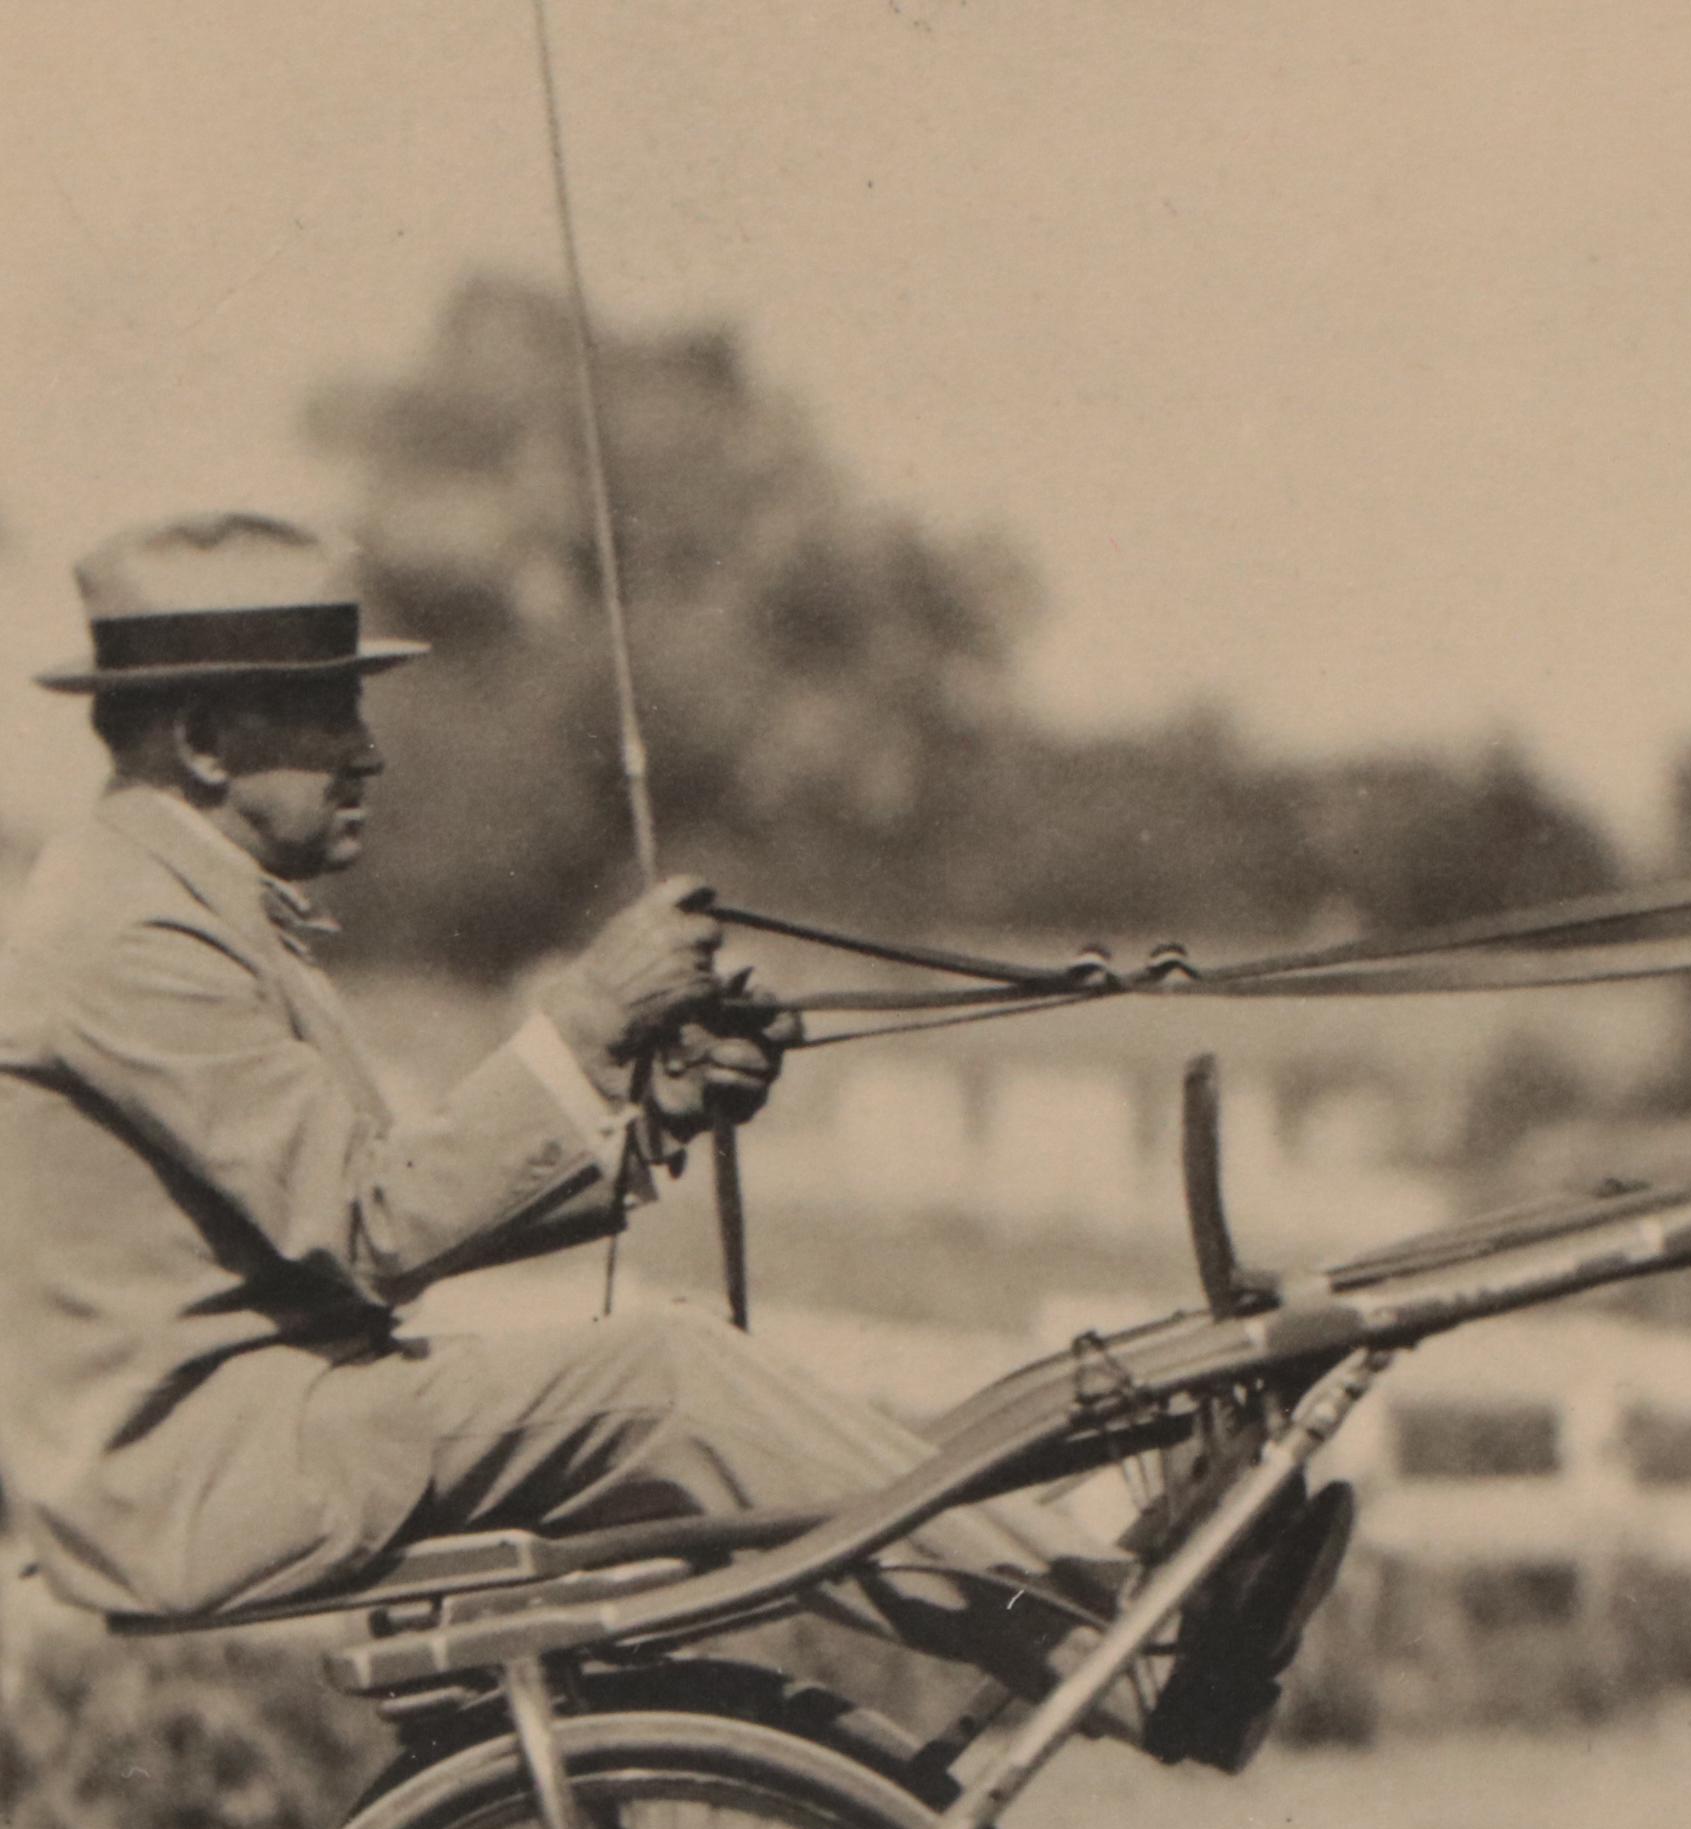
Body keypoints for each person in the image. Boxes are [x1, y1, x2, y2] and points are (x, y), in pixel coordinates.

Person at [0, 510, 1340, 1763]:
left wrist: (652, 1113)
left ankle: (1098, 1618)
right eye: (328, 710)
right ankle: (1123, 1639)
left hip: (272, 1440)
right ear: (204, 741)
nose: (370, 751)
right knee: (666, 1375)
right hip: (200, 1485)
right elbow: (374, 1223)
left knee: (687, 1378)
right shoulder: (129, 933)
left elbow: (367, 1216)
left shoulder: (188, 900)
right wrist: (586, 1014)